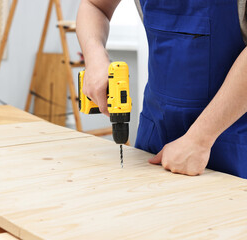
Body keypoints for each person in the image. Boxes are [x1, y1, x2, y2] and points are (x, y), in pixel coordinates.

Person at [76, 0, 247, 178]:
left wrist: (200, 138)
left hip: (232, 141)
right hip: (155, 132)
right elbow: (94, 5)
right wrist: (94, 56)